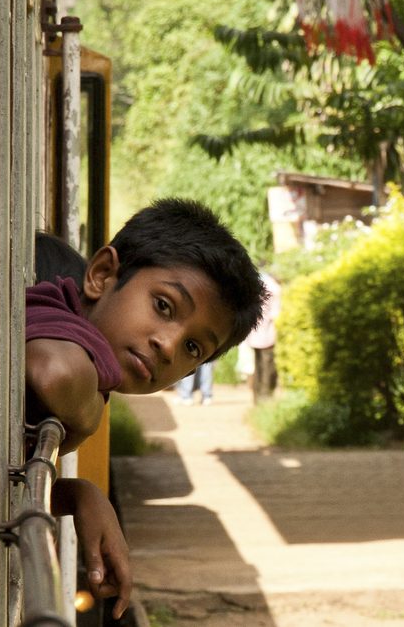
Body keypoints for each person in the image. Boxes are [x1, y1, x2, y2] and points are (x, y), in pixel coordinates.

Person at [26, 199, 266, 618]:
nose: (169, 345)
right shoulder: (57, 314)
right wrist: (91, 418)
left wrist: (80, 494)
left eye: (194, 347)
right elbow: (54, 372)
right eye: (164, 306)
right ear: (102, 275)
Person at [246, 270, 280, 401]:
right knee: (267, 367)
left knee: (258, 366)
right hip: (268, 335)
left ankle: (256, 397)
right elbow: (275, 315)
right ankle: (265, 397)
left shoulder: (258, 284)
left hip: (254, 335)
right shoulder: (275, 288)